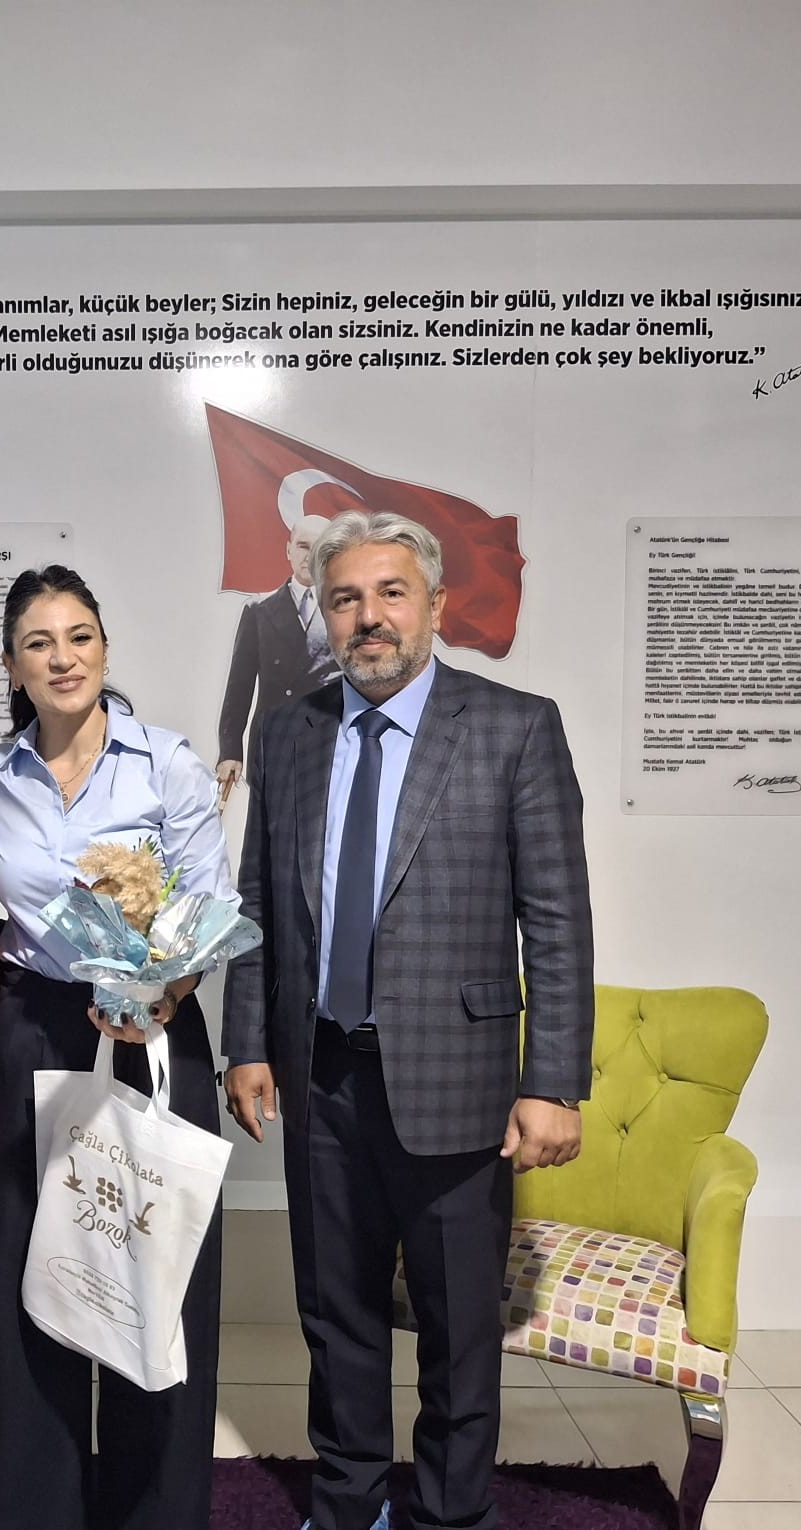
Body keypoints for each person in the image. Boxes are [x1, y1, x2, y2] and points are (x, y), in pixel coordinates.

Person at [223, 511, 595, 1530]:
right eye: (345, 598)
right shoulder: (289, 732)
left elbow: (557, 919)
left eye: (391, 593)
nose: (369, 616)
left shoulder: (515, 727)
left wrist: (553, 1080)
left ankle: (448, 1512)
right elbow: (256, 903)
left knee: (458, 1326)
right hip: (321, 1077)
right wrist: (247, 1043)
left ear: (434, 604)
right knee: (334, 1314)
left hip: (457, 1081)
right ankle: (346, 1504)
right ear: (324, 615)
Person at [0, 565, 231, 1530]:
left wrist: (161, 994)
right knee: (36, 1267)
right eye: (39, 643)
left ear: (105, 649)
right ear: (13, 666)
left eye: (79, 636)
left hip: (158, 1028)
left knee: (155, 1271)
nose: (63, 657)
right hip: (35, 1028)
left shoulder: (166, 763)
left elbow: (209, 902)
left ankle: (152, 1508)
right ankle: (33, 1507)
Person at [216, 511, 341, 803]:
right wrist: (230, 750)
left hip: (328, 747)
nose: (309, 557)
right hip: (271, 746)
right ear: (288, 549)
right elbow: (239, 686)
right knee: (266, 830)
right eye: (303, 546)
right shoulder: (259, 610)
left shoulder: (345, 613)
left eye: (319, 548)